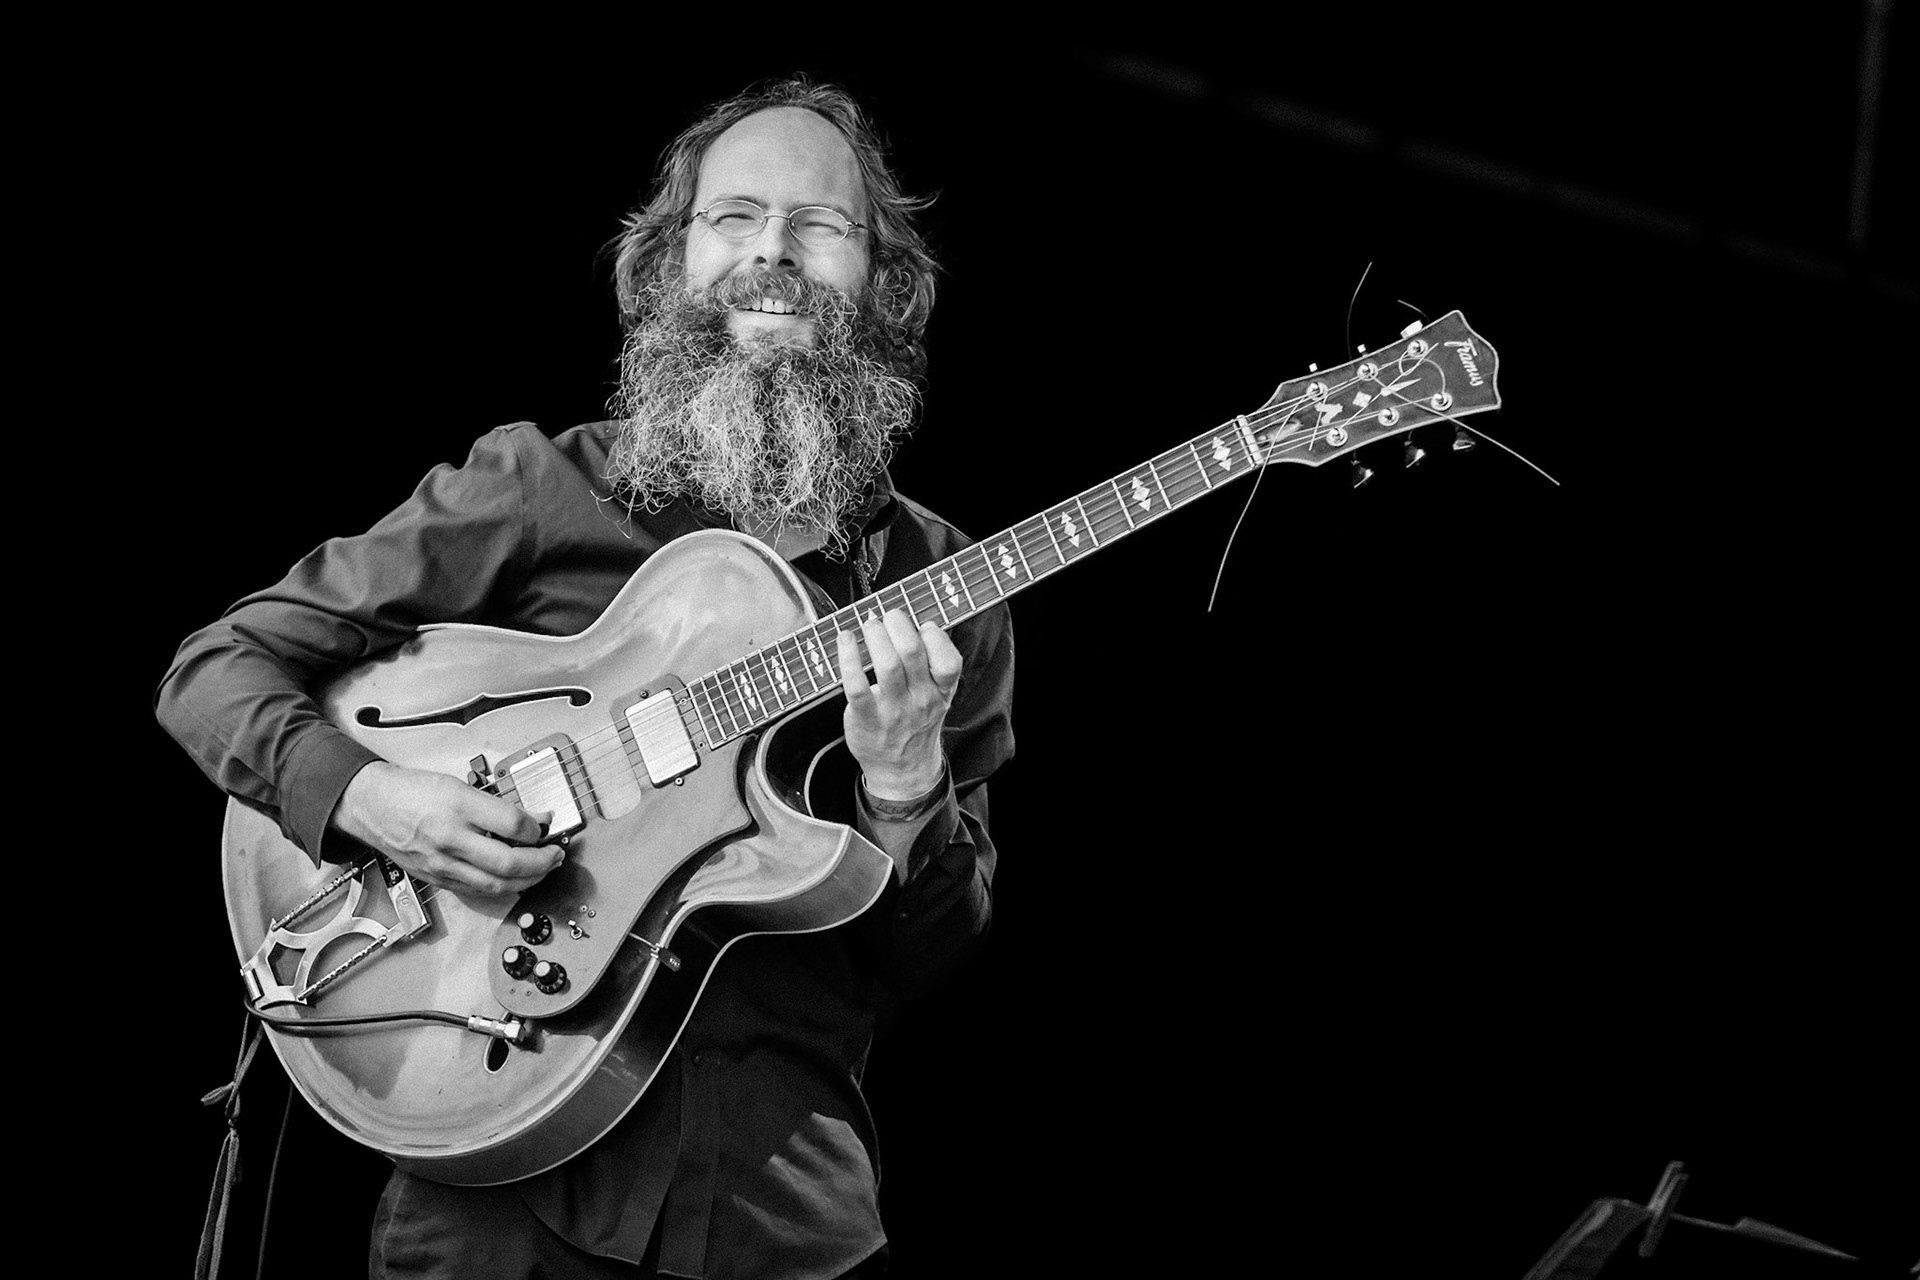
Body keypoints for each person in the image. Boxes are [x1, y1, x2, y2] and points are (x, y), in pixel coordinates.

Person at [156, 77, 1014, 1279]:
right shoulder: (542, 484)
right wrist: (376, 799)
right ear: (672, 264)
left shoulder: (943, 581)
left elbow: (929, 960)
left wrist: (907, 785)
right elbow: (216, 667)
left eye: (821, 226)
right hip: (500, 1192)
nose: (774, 250)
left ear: (887, 281)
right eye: (734, 217)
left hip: (784, 1214)